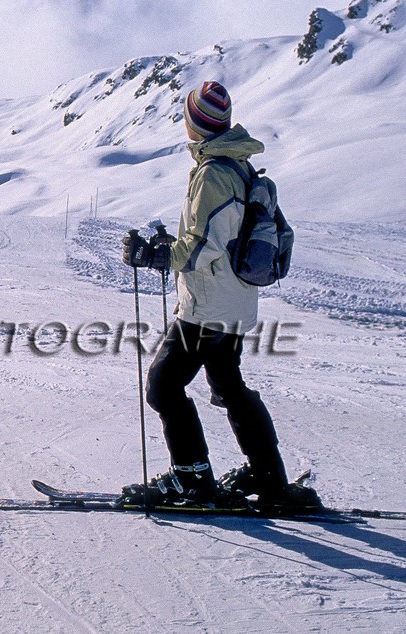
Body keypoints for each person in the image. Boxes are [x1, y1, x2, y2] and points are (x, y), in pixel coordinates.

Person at [122, 81, 320, 511]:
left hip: (208, 307)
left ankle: (192, 478)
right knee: (229, 386)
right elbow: (222, 238)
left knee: (163, 386)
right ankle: (268, 477)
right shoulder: (238, 164)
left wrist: (155, 256)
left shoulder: (214, 172)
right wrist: (170, 249)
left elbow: (202, 245)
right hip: (235, 302)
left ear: (194, 123)